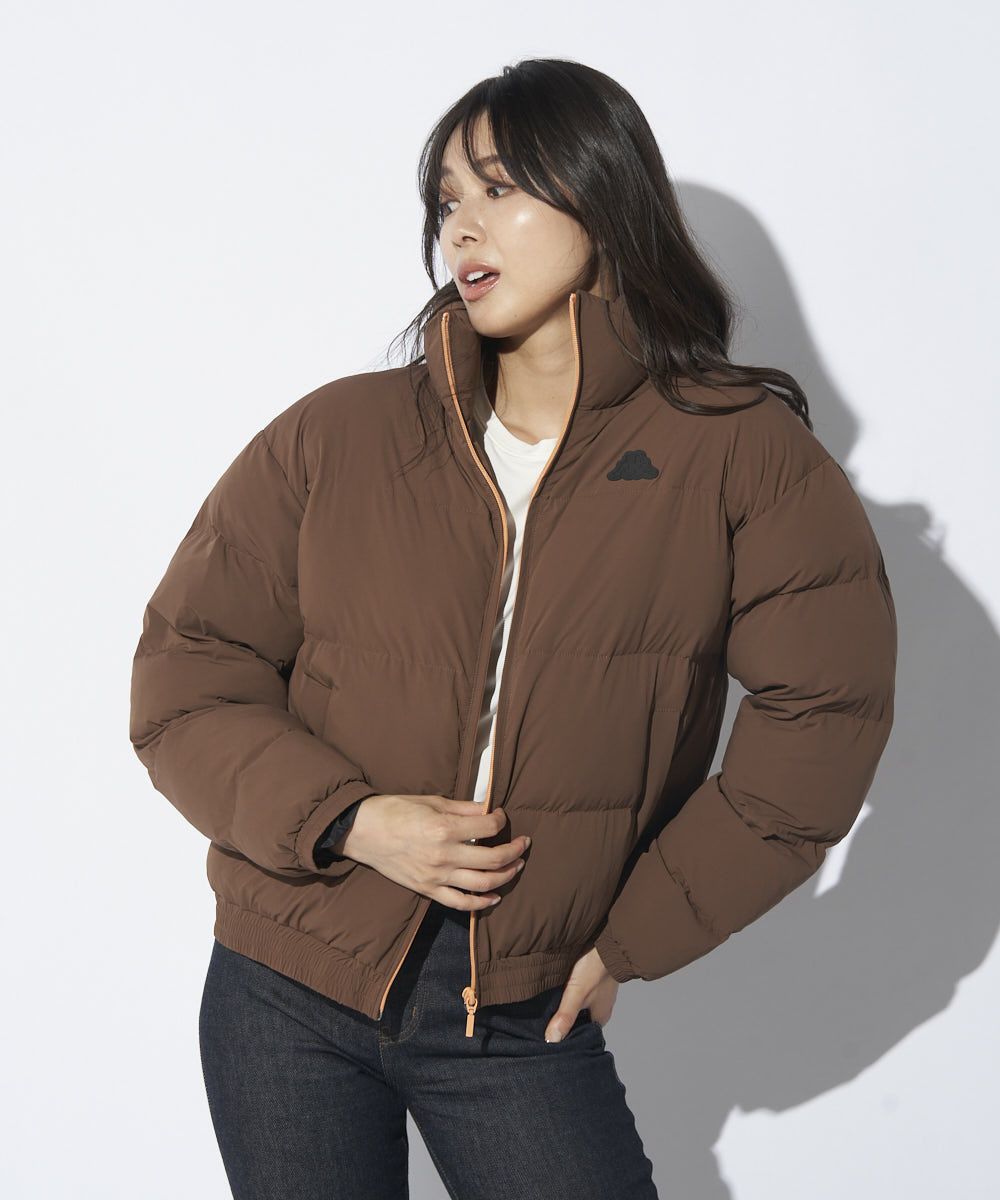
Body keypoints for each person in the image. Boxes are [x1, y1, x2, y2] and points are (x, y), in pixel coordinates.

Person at [129, 58, 897, 1200]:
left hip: (515, 1010)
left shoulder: (741, 453)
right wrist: (351, 820)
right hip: (282, 979)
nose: (462, 226)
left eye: (499, 188)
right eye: (447, 198)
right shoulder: (338, 437)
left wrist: (635, 936)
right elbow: (187, 674)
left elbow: (820, 723)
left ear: (601, 194)